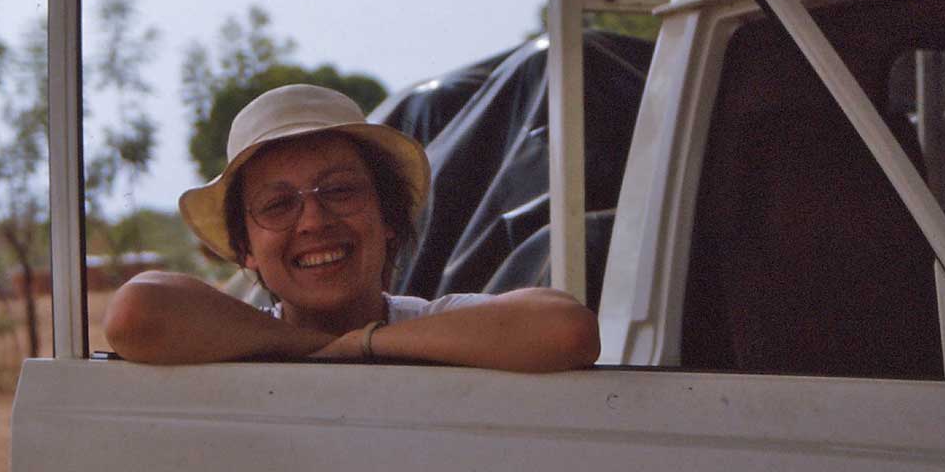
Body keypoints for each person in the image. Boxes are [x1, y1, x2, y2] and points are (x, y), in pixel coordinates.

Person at [104, 84, 600, 372]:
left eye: (340, 192)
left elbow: (568, 328)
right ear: (245, 248)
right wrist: (318, 350)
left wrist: (366, 344)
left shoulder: (439, 324)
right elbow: (135, 313)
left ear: (387, 217)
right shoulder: (224, 340)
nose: (315, 221)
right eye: (278, 205)